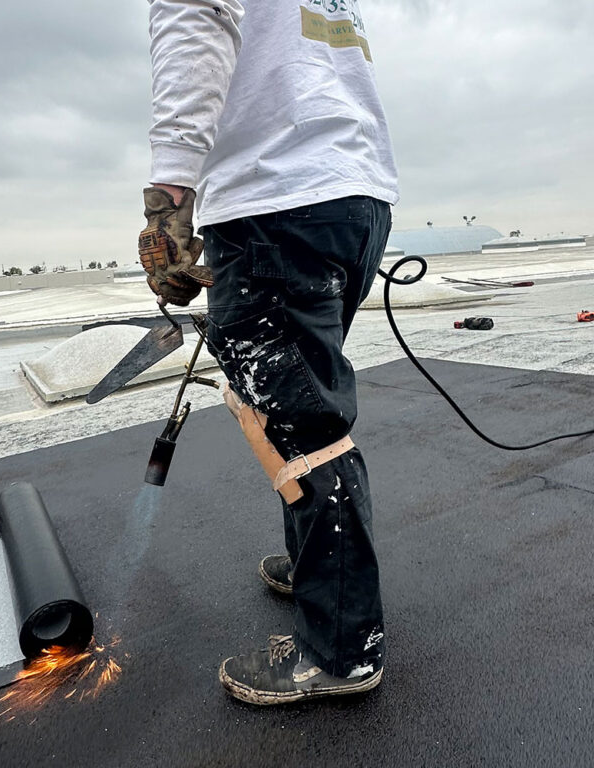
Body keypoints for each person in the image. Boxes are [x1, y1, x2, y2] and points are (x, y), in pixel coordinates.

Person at [139, 0, 399, 705]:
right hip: (351, 195)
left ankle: (342, 648)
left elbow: (194, 21)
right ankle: (325, 568)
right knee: (296, 404)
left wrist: (168, 193)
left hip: (277, 197)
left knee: (297, 424)